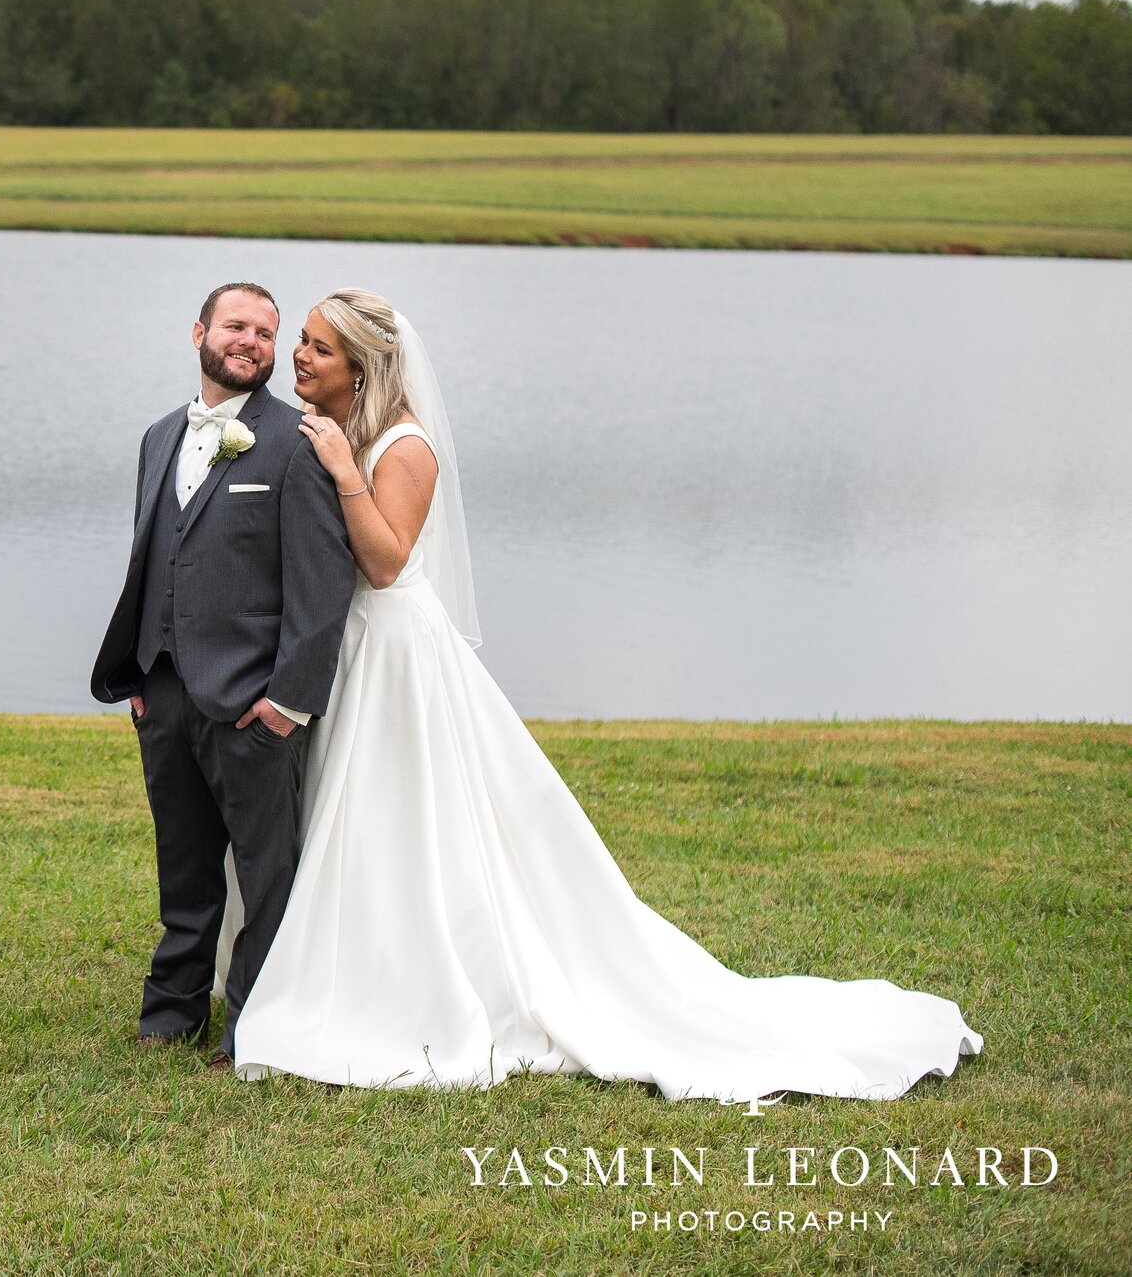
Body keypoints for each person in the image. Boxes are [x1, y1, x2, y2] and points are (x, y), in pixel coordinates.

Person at [230, 288, 982, 1102]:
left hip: (396, 653)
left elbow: (382, 562)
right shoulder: (349, 429)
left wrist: (344, 470)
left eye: (317, 347)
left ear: (363, 367)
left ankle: (414, 986)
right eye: (300, 341)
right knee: (361, 814)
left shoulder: (402, 448)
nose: (299, 356)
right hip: (355, 649)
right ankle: (348, 968)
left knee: (399, 817)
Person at [90, 282, 354, 1065]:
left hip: (252, 703)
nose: (252, 342)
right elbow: (151, 556)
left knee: (267, 876)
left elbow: (321, 583)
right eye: (237, 325)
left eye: (267, 333)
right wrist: (140, 669)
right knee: (184, 862)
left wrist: (288, 700)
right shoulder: (159, 435)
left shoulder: (297, 440)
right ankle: (172, 1012)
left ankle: (257, 1028)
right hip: (164, 690)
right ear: (200, 331)